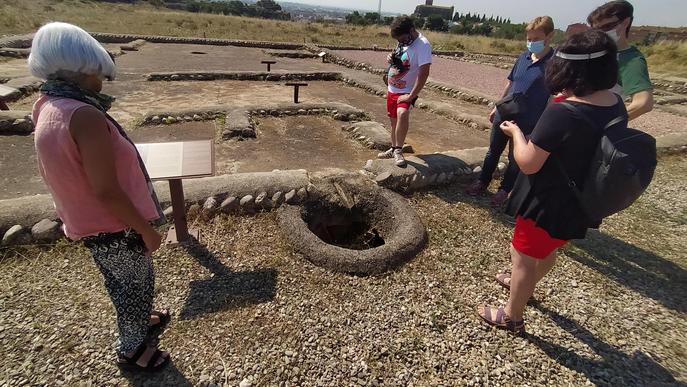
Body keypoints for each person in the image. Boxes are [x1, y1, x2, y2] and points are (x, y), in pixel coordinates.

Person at [29, 22, 171, 371]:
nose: (101, 81)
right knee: (133, 285)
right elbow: (106, 189)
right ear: (80, 70)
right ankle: (133, 348)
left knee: (120, 279)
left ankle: (141, 319)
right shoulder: (86, 116)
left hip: (89, 222)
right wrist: (147, 230)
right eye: (97, 73)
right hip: (115, 226)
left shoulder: (47, 105)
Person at [477, 30, 625, 333]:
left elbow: (528, 163)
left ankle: (511, 317)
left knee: (522, 256)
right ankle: (524, 286)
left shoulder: (562, 112)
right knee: (548, 250)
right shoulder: (615, 104)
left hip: (546, 198)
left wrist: (516, 134)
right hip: (580, 198)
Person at [466, 16, 556, 207]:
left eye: (535, 39)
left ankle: (504, 190)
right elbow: (510, 82)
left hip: (529, 119)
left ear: (549, 36)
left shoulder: (554, 64)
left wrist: (544, 122)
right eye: (529, 39)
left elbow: (552, 97)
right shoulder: (523, 57)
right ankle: (482, 181)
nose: (531, 43)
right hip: (505, 112)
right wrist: (496, 106)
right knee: (493, 151)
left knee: (516, 158)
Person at [566, 1, 653, 120]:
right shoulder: (598, 52)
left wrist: (606, 123)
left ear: (625, 22)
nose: (601, 33)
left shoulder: (630, 60)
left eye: (607, 27)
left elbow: (644, 103)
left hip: (589, 129)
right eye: (596, 30)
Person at [377, 16, 432, 167]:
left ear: (412, 30)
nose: (401, 42)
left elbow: (424, 73)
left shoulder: (423, 45)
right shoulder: (403, 40)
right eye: (398, 40)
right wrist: (391, 58)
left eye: (402, 39)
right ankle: (393, 147)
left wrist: (411, 96)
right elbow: (400, 57)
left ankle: (399, 151)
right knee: (393, 121)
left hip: (406, 91)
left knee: (403, 114)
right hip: (392, 88)